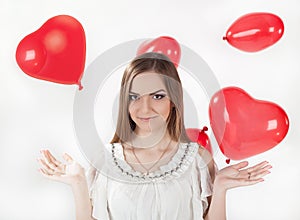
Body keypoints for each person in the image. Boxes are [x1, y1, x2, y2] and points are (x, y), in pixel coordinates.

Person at [37, 52, 272, 220]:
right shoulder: (106, 160)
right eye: (134, 96)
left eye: (157, 96)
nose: (144, 108)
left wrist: (220, 187)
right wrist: (78, 183)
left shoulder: (196, 159)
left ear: (174, 100)